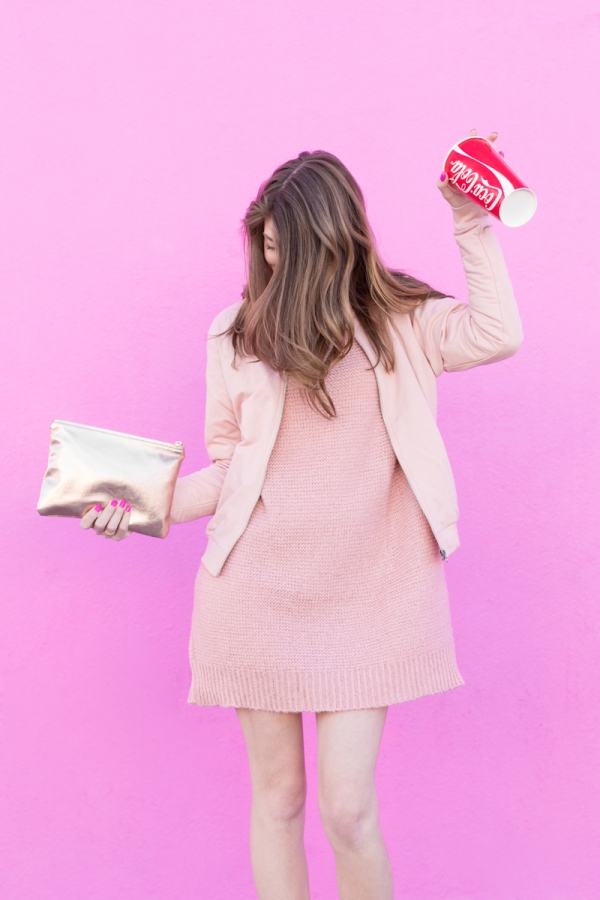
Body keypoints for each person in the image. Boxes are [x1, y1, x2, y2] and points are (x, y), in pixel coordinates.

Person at [81, 130, 523, 900]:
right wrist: (136, 505)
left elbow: (498, 334)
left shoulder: (404, 323)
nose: (275, 262)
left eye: (290, 246)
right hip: (257, 593)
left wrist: (470, 222)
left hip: (373, 591)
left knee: (349, 812)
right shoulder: (237, 333)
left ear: (337, 240)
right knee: (279, 801)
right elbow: (227, 472)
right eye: (268, 246)